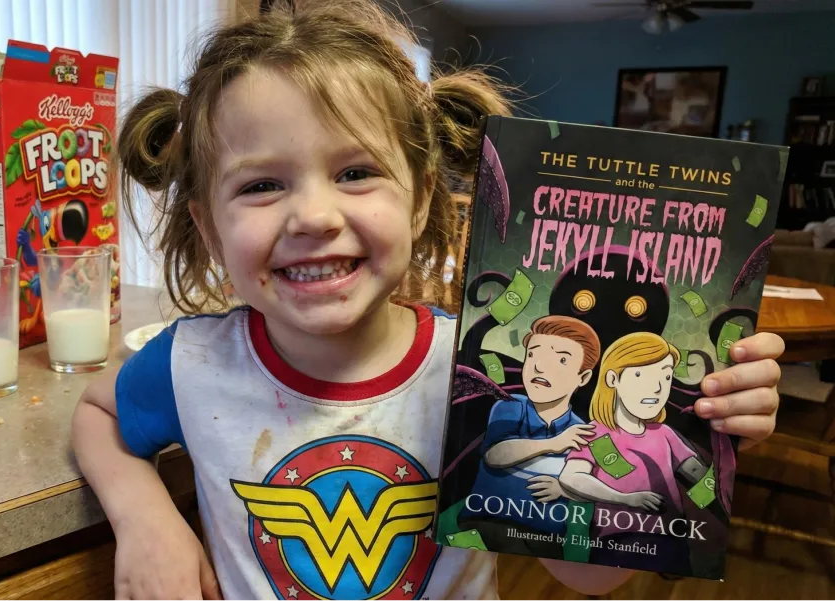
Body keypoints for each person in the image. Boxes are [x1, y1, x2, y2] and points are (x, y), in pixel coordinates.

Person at [70, 1, 785, 598]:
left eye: (355, 172)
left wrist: (706, 431)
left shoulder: (482, 375)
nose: (313, 215)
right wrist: (143, 516)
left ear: (418, 200)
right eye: (261, 185)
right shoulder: (190, 363)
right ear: (208, 227)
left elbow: (587, 573)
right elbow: (98, 414)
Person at [559, 332, 716, 573]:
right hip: (616, 542)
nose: (657, 388)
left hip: (670, 539)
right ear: (613, 379)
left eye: (666, 377)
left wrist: (725, 460)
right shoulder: (595, 433)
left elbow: (698, 476)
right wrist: (625, 498)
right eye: (642, 375)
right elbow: (571, 477)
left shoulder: (664, 433)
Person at [458, 316, 599, 554]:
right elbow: (494, 455)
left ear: (583, 378)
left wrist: (565, 490)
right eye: (533, 354)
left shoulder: (583, 430)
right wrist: (553, 443)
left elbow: (594, 486)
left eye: (561, 360)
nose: (539, 366)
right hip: (489, 524)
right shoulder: (510, 406)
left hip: (546, 538)